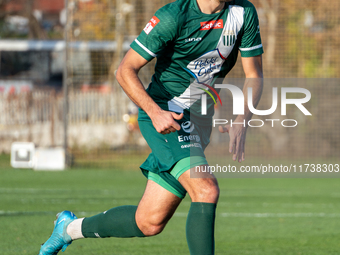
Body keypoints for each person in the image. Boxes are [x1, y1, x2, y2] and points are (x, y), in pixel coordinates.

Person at [38, 0, 263, 254]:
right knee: (206, 189)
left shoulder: (244, 12)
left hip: (199, 123)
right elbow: (125, 70)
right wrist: (155, 113)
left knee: (149, 222)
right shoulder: (173, 16)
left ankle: (69, 229)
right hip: (164, 114)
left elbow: (254, 75)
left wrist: (242, 119)